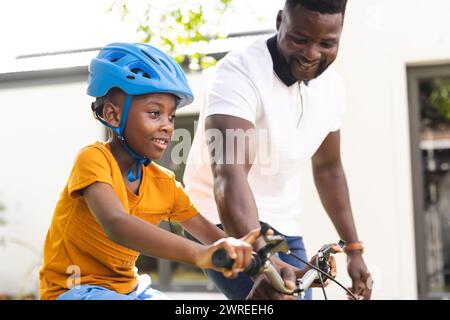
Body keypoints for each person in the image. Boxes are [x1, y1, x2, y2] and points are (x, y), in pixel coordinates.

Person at [38, 42, 261, 300]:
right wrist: (199, 255)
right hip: (73, 290)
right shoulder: (94, 159)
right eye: (155, 113)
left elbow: (213, 237)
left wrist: (281, 267)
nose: (167, 126)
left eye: (172, 116)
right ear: (112, 115)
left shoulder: (163, 183)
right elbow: (117, 224)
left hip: (130, 291)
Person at [183, 0, 372, 300]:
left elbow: (328, 168)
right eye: (300, 39)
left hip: (283, 226)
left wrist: (354, 248)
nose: (312, 54)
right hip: (217, 219)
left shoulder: (333, 88)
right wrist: (262, 260)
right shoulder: (236, 74)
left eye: (327, 43)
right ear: (280, 20)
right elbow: (229, 175)